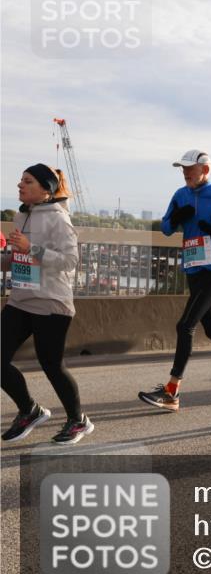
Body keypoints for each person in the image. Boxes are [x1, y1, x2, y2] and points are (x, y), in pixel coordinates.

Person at [139, 150, 211, 412]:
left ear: (205, 170)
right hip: (193, 269)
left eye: (190, 168)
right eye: (183, 169)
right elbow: (166, 228)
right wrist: (175, 219)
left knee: (185, 325)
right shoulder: (180, 195)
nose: (185, 173)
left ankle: (172, 390)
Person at [2, 164, 93, 444]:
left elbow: (70, 261)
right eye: (21, 180)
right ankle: (29, 410)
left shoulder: (58, 218)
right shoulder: (21, 215)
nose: (20, 185)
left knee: (51, 364)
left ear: (45, 189)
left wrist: (31, 248)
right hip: (21, 300)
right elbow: (18, 258)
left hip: (51, 302)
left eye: (28, 181)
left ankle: (78, 420)